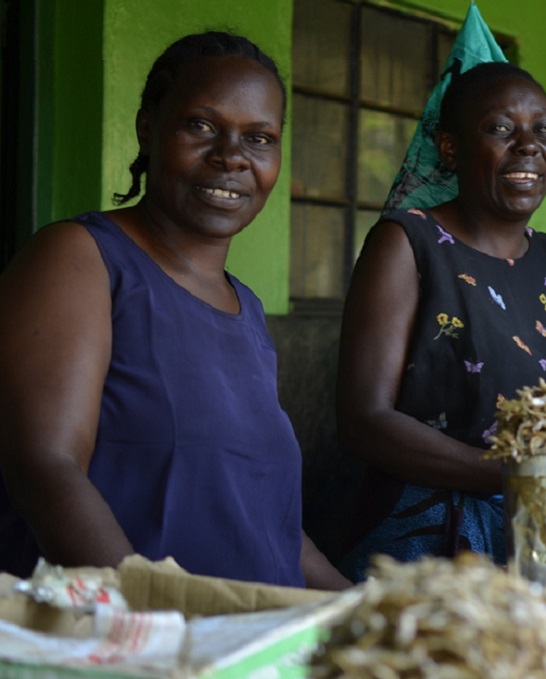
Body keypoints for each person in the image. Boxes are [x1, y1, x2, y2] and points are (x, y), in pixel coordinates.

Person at [0, 32, 349, 589]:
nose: (232, 156)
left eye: (259, 138)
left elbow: (263, 521)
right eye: (202, 126)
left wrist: (355, 606)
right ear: (148, 127)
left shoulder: (248, 311)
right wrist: (159, 625)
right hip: (134, 653)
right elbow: (46, 466)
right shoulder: (80, 259)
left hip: (250, 654)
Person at [335, 62, 546, 581]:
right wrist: (516, 476)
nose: (527, 145)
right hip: (431, 546)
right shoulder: (409, 242)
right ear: (451, 148)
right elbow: (364, 420)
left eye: (542, 129)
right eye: (501, 128)